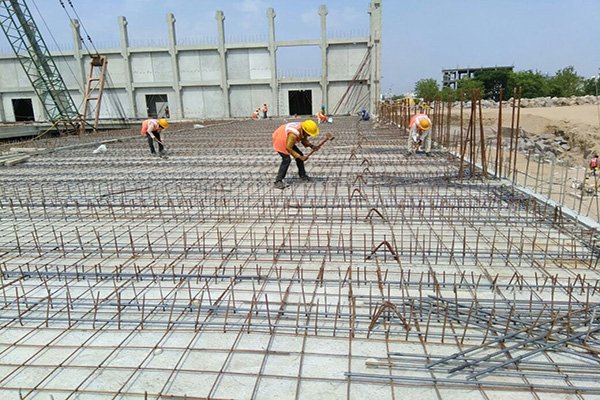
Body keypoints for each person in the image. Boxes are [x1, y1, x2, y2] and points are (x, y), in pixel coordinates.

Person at [272, 120, 319, 189]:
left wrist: (311, 146)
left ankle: (302, 175)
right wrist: (300, 157)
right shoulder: (293, 134)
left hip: (287, 137)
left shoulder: (303, 127)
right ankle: (278, 181)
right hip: (280, 138)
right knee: (286, 160)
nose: (309, 135)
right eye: (309, 134)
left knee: (300, 154)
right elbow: (288, 147)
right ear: (305, 130)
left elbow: (303, 139)